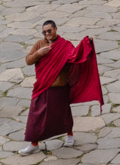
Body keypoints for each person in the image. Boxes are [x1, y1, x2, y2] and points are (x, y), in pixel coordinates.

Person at [23, 21, 102, 150]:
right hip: (43, 86)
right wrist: (38, 54)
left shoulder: (65, 45)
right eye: (44, 32)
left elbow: (75, 56)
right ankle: (34, 144)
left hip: (60, 86)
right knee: (36, 115)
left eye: (49, 31)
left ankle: (70, 135)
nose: (47, 34)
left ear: (55, 29)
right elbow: (28, 60)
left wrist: (86, 43)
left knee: (63, 114)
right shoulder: (39, 44)